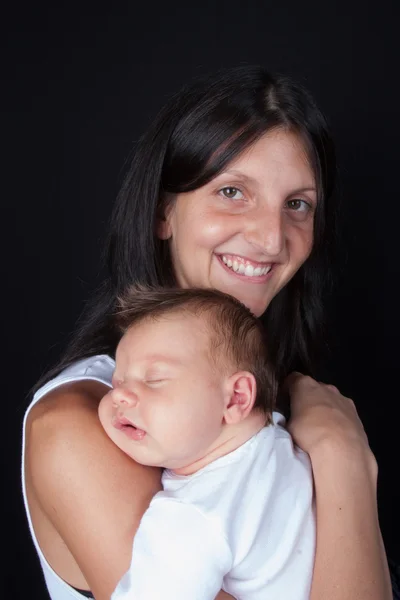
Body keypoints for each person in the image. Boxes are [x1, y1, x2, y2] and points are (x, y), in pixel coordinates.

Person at [22, 65, 392, 600]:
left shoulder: (274, 404)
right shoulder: (86, 426)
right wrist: (345, 462)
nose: (271, 238)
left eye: (297, 204)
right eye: (233, 192)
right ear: (162, 211)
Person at [98, 285, 315, 599]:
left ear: (236, 398)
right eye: (117, 380)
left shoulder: (194, 517)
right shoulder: (284, 440)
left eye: (154, 379)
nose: (118, 394)